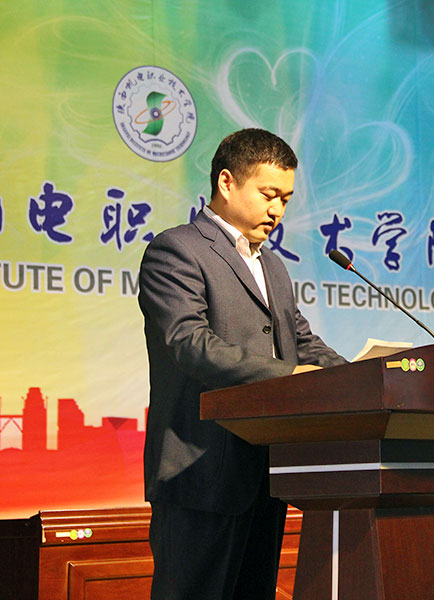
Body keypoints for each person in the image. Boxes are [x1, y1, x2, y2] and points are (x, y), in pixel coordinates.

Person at [138, 128, 347, 599]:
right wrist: (289, 377)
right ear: (227, 183)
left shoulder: (272, 266)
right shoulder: (177, 250)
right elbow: (189, 343)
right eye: (269, 195)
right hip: (200, 472)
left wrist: (360, 377)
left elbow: (299, 341)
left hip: (265, 472)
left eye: (286, 200)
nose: (278, 211)